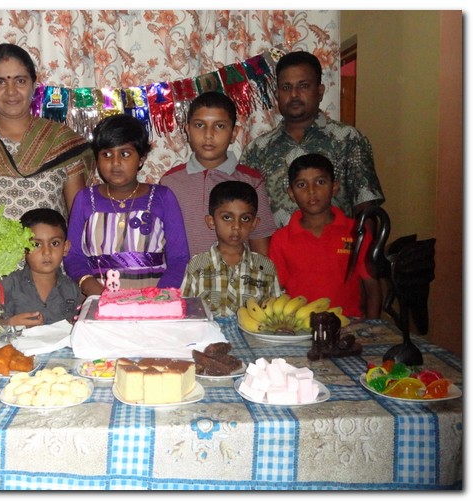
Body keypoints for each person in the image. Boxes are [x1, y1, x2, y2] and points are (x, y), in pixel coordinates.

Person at [0, 43, 96, 221]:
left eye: (20, 81)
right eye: (0, 82)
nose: (11, 91)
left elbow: (78, 219)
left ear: (34, 84)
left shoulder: (61, 140)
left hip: (47, 240)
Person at [240, 50, 385, 228]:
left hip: (336, 245)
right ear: (277, 94)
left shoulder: (348, 139)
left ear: (320, 91)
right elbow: (243, 211)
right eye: (286, 87)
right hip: (275, 246)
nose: (294, 94)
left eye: (303, 86)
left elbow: (366, 208)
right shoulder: (256, 150)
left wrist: (364, 245)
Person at [64, 114, 190, 297]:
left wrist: (158, 297)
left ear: (141, 158)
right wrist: (94, 289)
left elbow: (179, 258)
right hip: (100, 301)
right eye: (106, 154)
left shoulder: (162, 197)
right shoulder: (84, 199)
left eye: (125, 154)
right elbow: (73, 256)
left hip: (154, 301)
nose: (115, 163)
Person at [160, 91, 276, 256]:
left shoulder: (252, 181)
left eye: (219, 126)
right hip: (184, 273)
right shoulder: (170, 182)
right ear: (188, 131)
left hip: (238, 272)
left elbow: (260, 246)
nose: (208, 135)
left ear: (233, 133)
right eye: (199, 125)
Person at [268, 153, 382, 319]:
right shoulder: (281, 239)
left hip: (349, 324)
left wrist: (372, 326)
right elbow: (275, 291)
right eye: (301, 185)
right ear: (291, 193)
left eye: (320, 182)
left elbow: (372, 286)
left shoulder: (357, 232)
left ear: (334, 187)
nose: (311, 191)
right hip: (299, 325)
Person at [181, 181, 281, 317]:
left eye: (245, 219)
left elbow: (275, 312)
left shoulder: (265, 267)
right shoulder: (198, 265)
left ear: (254, 223)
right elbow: (185, 311)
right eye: (227, 217)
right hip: (208, 331)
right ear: (211, 221)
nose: (236, 226)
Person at [0, 208, 81, 327]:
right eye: (36, 244)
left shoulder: (72, 290)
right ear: (23, 249)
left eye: (54, 243)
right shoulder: (8, 285)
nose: (46, 252)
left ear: (65, 247)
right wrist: (9, 323)